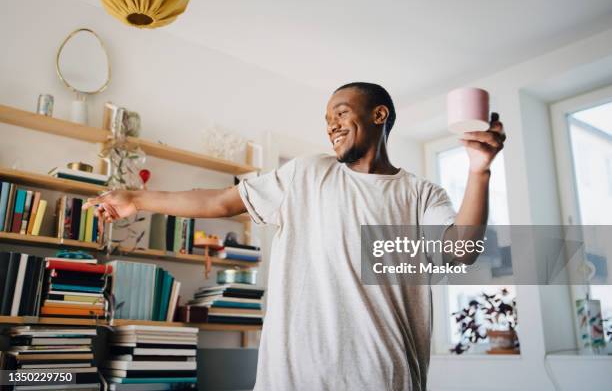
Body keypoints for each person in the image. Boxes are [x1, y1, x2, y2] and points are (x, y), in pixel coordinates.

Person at [84, 82, 505, 390]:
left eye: (341, 112)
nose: (332, 126)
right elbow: (220, 203)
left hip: (384, 378)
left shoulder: (420, 193)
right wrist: (137, 200)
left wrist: (479, 170)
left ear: (379, 114)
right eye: (327, 120)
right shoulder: (308, 173)